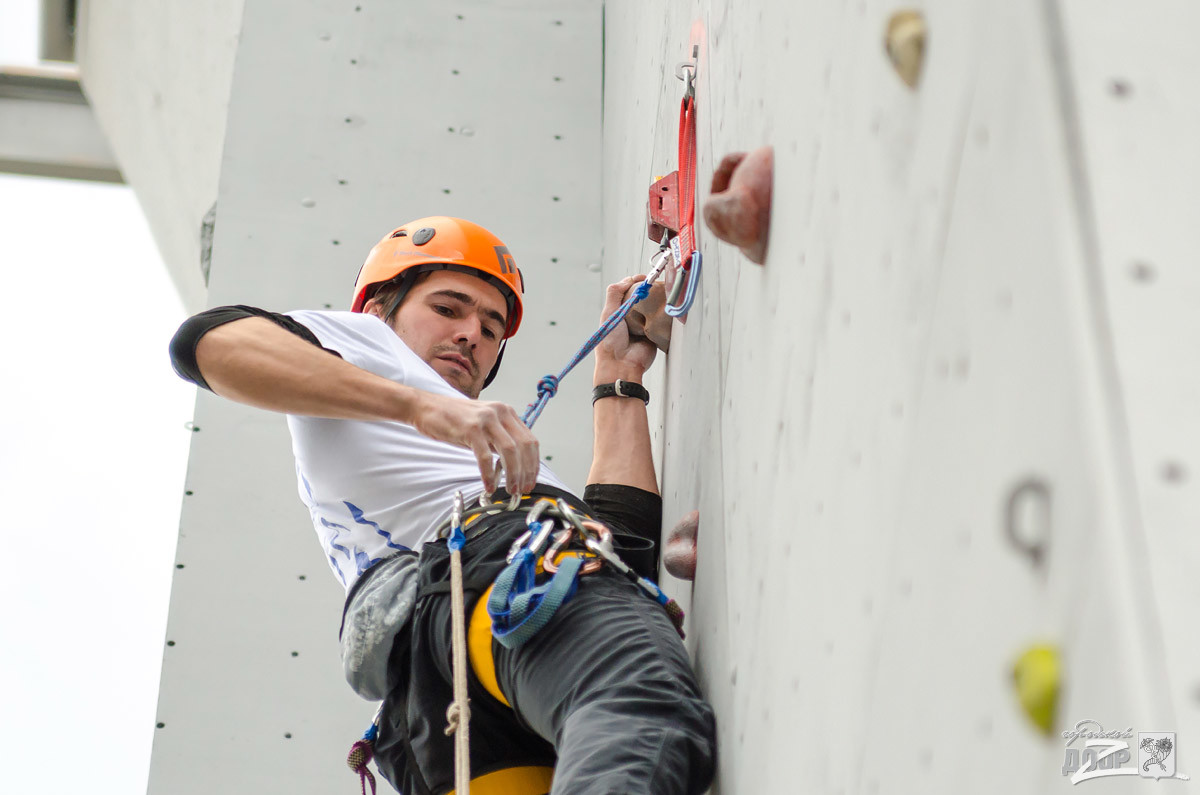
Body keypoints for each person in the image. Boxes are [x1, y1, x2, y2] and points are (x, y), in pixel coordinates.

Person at [168, 216, 716, 795]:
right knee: (634, 707)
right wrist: (421, 408)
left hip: (434, 690)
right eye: (448, 309)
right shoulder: (363, 343)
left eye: (491, 325)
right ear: (379, 310)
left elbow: (616, 548)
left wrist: (618, 375)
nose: (472, 333)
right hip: (495, 587)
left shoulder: (459, 459)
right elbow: (206, 341)